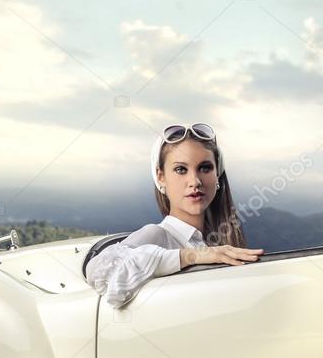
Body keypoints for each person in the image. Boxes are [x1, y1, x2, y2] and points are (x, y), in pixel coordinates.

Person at [85, 123, 264, 308]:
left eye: (205, 168)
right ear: (161, 177)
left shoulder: (215, 244)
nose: (195, 181)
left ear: (217, 174)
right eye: (180, 169)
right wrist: (190, 257)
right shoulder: (157, 234)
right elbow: (99, 273)